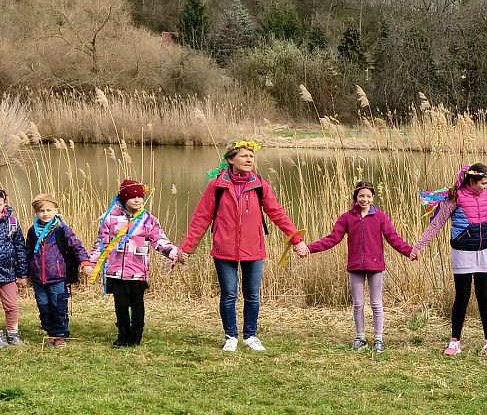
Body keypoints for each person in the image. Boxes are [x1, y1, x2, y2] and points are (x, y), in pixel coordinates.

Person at [178, 140, 305, 352]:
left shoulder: (260, 185)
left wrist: (296, 239)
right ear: (230, 159)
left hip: (254, 249)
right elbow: (201, 218)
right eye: (244, 156)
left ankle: (250, 336)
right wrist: (187, 248)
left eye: (251, 156)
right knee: (229, 295)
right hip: (224, 249)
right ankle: (231, 337)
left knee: (252, 295)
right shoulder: (216, 185)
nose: (249, 160)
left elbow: (278, 214)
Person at [416, 163, 487, 357]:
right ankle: (455, 341)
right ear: (472, 181)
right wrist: (419, 246)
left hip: (483, 251)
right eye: (483, 183)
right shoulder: (456, 197)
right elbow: (437, 223)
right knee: (462, 296)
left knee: (484, 295)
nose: (486, 186)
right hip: (462, 251)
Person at [300, 180, 417, 353]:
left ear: (373, 198)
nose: (365, 199)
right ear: (355, 197)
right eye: (361, 196)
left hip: (375, 266)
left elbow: (393, 238)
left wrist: (409, 251)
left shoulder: (380, 216)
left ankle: (378, 339)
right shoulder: (347, 217)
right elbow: (332, 239)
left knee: (376, 303)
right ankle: (360, 337)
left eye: (368, 196)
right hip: (355, 266)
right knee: (358, 303)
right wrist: (310, 248)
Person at [88, 179, 180, 347]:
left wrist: (174, 253)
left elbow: (159, 240)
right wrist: (91, 264)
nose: (137, 200)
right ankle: (123, 333)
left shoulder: (148, 219)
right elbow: (101, 244)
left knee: (137, 304)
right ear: (124, 198)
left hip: (138, 271)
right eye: (132, 197)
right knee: (121, 304)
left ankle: (136, 334)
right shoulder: (110, 218)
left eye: (140, 196)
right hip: (116, 271)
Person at [25, 193, 91, 347]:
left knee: (59, 306)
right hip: (38, 278)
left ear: (56, 210)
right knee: (44, 307)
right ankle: (51, 333)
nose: (45, 214)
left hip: (57, 276)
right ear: (36, 212)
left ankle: (60, 335)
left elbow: (77, 246)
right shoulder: (32, 231)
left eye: (49, 210)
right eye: (41, 211)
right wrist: (25, 274)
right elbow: (28, 253)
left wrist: (85, 263)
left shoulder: (62, 229)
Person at [0, 188, 28, 346]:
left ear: (5, 203)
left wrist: (22, 273)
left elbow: (20, 249)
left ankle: (13, 334)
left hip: (8, 272)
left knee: (11, 305)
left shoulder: (12, 223)